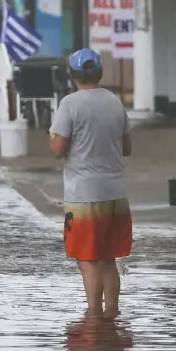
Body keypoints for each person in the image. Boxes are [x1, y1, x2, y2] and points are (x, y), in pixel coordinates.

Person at [49, 48, 132, 319]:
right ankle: (112, 314)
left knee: (87, 259)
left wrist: (53, 137)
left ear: (73, 76)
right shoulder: (115, 102)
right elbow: (126, 147)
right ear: (99, 72)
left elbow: (58, 149)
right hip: (116, 193)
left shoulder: (69, 104)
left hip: (84, 194)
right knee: (109, 258)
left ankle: (93, 318)